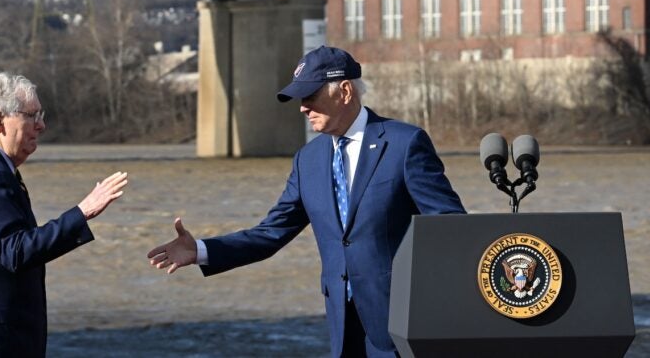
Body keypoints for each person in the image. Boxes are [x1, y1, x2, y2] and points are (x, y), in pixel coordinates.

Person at [147, 46, 465, 357]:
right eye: (300, 99)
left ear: (344, 91)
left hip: (404, 326)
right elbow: (270, 233)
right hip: (344, 328)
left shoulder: (403, 143)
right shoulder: (307, 161)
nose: (302, 107)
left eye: (310, 96)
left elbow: (450, 227)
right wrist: (201, 250)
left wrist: (440, 304)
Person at [0, 72, 128, 358]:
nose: (41, 125)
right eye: (31, 116)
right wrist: (82, 212)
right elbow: (15, 251)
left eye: (40, 115)